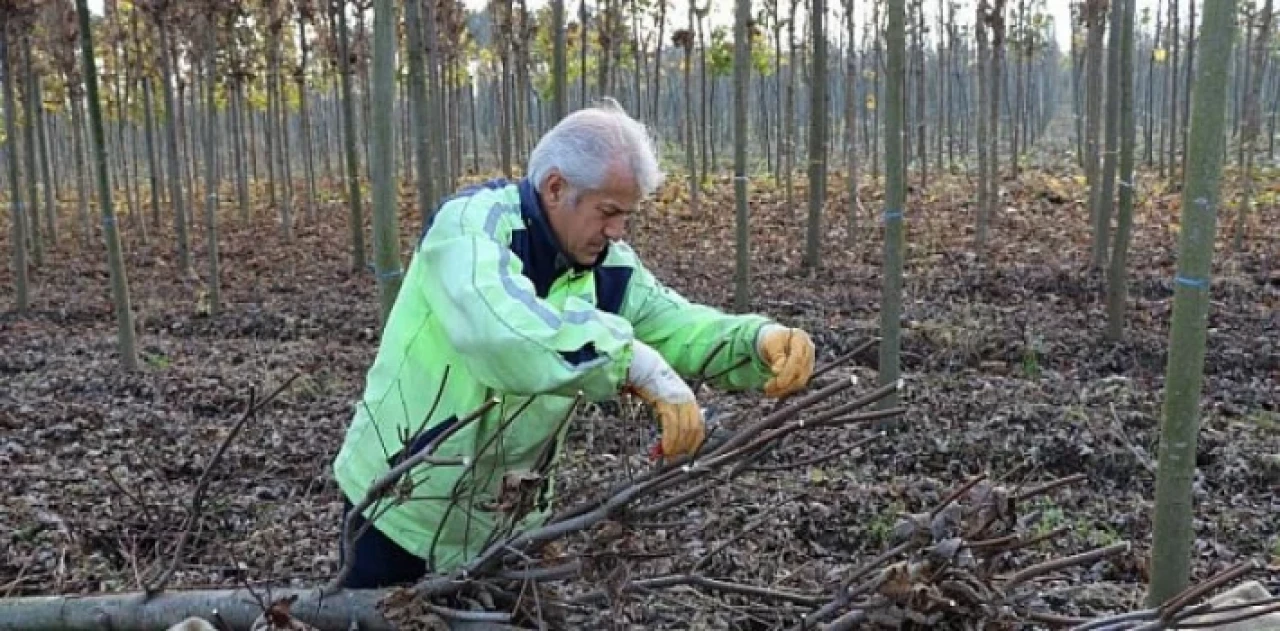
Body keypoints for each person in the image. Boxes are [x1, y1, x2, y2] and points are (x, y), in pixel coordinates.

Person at [330, 98, 816, 589]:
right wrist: (631, 364)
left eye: (626, 216)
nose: (616, 231)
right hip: (395, 502)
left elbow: (678, 324)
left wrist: (757, 341)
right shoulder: (470, 228)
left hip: (503, 522)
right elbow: (502, 334)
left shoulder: (606, 269)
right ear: (556, 187)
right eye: (607, 212)